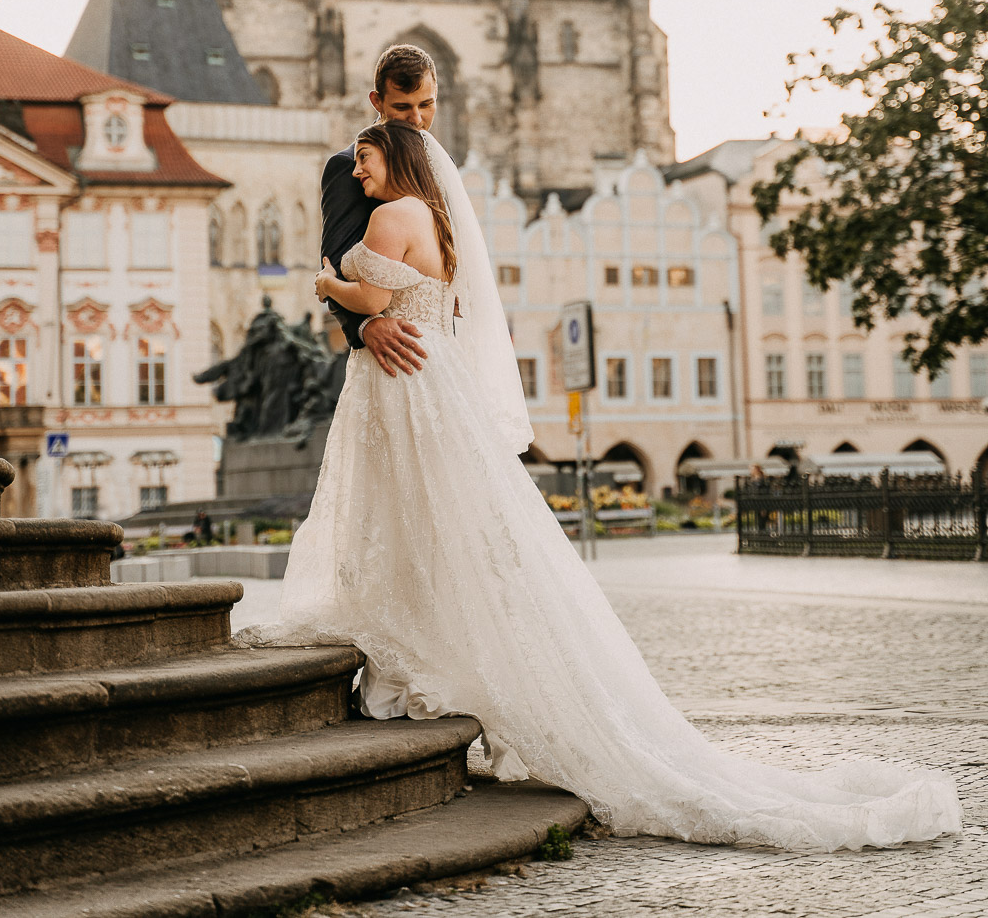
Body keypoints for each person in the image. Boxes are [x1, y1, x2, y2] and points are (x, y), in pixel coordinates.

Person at [241, 121, 961, 853]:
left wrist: (329, 284)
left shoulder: (395, 215)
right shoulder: (438, 218)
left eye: (364, 161)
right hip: (428, 385)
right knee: (444, 528)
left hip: (406, 386)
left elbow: (366, 298)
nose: (357, 175)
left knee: (412, 523)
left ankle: (417, 657)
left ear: (391, 158)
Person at [319, 45, 438, 378]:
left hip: (441, 344)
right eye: (403, 107)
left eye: (426, 105)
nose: (416, 119)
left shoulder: (444, 168)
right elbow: (335, 258)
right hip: (389, 350)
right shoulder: (347, 167)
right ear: (377, 102)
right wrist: (365, 326)